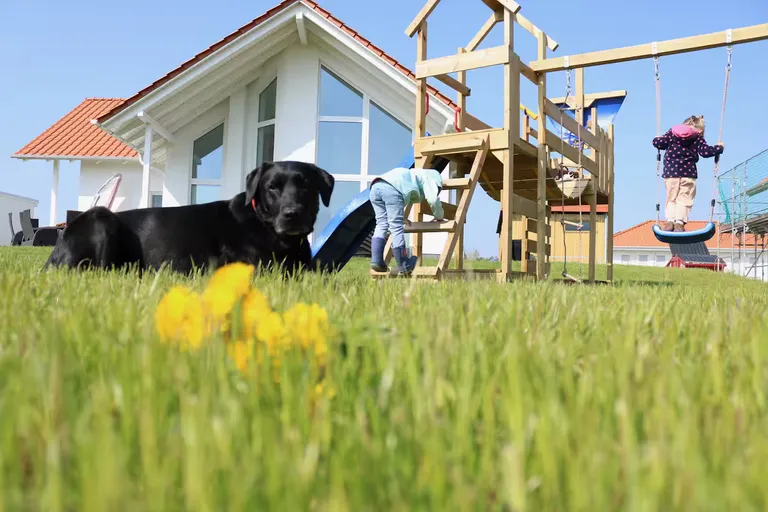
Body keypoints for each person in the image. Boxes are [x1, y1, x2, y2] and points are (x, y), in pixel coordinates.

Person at [652, 115, 724, 232]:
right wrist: (719, 148)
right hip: (688, 173)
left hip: (671, 173)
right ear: (700, 130)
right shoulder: (697, 137)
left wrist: (656, 139)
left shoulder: (672, 132)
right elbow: (706, 152)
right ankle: (679, 223)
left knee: (671, 198)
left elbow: (659, 143)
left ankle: (670, 221)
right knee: (684, 198)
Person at [369, 167, 445, 275]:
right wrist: (438, 215)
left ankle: (376, 261)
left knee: (381, 223)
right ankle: (404, 264)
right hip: (392, 189)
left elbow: (405, 196)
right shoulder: (430, 178)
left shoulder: (412, 175)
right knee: (396, 226)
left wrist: (403, 217)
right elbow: (432, 199)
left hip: (375, 186)